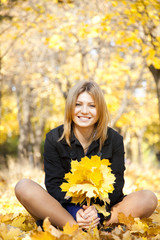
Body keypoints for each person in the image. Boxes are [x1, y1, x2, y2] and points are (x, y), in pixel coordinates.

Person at [15, 80, 158, 230]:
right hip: (65, 210)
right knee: (23, 186)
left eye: (92, 106)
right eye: (78, 104)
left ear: (100, 110)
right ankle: (74, 226)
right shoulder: (54, 138)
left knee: (148, 198)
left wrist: (97, 213)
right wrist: (75, 212)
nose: (84, 111)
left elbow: (116, 187)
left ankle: (99, 224)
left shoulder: (114, 139)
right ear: (70, 107)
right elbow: (54, 186)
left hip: (103, 211)